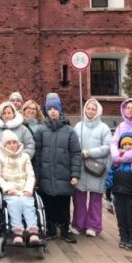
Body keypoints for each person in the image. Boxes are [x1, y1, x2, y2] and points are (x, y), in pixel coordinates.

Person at [33, 93, 81, 243]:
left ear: (60, 110)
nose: (52, 111)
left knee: (63, 203)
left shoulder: (69, 131)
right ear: (46, 111)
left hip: (63, 175)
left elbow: (76, 154)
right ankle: (50, 228)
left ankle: (65, 229)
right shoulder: (40, 131)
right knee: (47, 202)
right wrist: (36, 175)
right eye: (50, 109)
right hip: (46, 174)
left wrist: (75, 174)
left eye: (55, 108)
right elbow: (37, 154)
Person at [0, 130, 40, 245]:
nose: (12, 145)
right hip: (9, 189)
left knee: (27, 203)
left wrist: (28, 189)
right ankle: (18, 232)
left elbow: (31, 175)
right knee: (14, 202)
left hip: (24, 188)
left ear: (18, 143)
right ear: (4, 144)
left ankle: (33, 231)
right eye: (9, 143)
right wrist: (7, 188)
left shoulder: (25, 156)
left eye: (14, 142)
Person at [72, 98, 111, 237]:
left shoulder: (104, 128)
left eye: (93, 109)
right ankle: (78, 224)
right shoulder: (78, 126)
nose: (90, 111)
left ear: (98, 111)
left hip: (97, 167)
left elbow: (107, 147)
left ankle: (93, 226)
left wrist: (90, 153)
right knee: (79, 197)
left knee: (95, 199)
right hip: (81, 167)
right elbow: (73, 144)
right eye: (88, 108)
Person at [106, 132, 132, 250]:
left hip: (131, 194)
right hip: (118, 193)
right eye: (125, 144)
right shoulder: (117, 162)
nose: (127, 146)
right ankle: (124, 237)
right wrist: (108, 188)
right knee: (121, 217)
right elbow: (110, 175)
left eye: (130, 144)